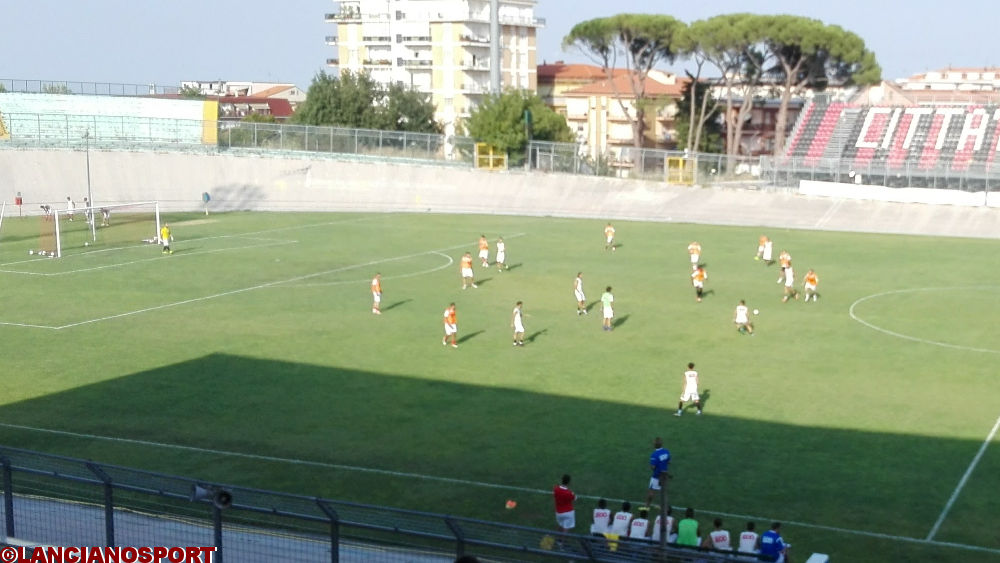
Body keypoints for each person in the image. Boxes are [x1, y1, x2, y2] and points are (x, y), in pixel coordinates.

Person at [646, 437, 671, 505]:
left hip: (656, 476)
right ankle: (664, 507)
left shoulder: (654, 455)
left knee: (651, 492)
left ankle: (647, 507)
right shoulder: (666, 451)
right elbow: (668, 462)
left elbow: (653, 467)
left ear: (654, 445)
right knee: (663, 492)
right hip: (664, 476)